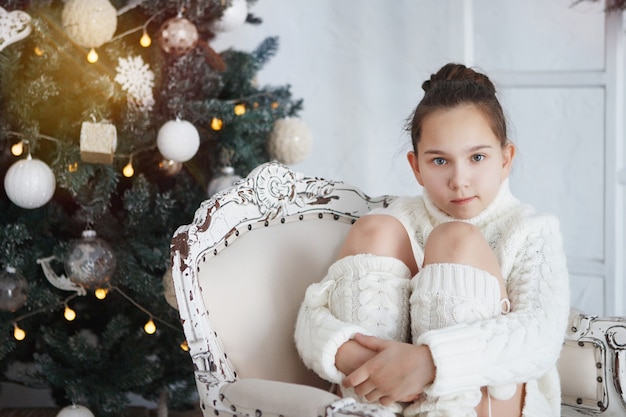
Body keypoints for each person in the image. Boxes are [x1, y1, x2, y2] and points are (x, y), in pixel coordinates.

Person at [294, 63, 570, 417]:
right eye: (440, 160)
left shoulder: (533, 229)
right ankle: (372, 407)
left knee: (455, 238)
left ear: (506, 158)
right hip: (392, 397)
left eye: (477, 157)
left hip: (489, 399)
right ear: (416, 167)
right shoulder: (398, 220)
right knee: (373, 229)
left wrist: (430, 362)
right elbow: (310, 317)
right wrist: (355, 355)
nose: (459, 179)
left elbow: (540, 337)